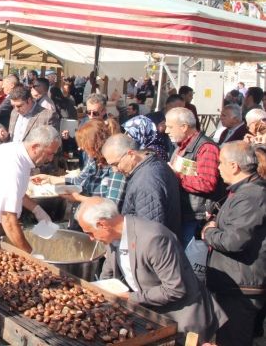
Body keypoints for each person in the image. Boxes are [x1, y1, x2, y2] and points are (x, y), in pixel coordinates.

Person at [77, 197, 224, 343]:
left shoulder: (154, 239)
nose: (91, 238)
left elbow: (175, 289)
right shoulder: (111, 237)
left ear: (102, 224)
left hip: (183, 317)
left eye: (90, 233)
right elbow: (108, 272)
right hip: (152, 312)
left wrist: (130, 297)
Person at [202, 141, 266, 346]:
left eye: (220, 163)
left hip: (241, 286)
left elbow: (234, 240)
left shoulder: (251, 194)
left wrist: (209, 232)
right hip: (234, 282)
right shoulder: (243, 191)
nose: (218, 167)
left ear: (234, 166)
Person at [0, 126, 59, 252]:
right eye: (49, 153)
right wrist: (32, 255)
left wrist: (37, 210)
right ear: (35, 147)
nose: (51, 158)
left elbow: (15, 192)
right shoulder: (14, 167)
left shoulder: (14, 149)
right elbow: (8, 220)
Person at [102, 134, 181, 240]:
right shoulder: (151, 162)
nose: (115, 170)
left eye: (116, 164)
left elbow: (150, 233)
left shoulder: (146, 181)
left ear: (131, 154)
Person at [165, 107, 224, 246]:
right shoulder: (182, 146)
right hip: (184, 212)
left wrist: (176, 176)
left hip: (196, 217)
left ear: (184, 127)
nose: (167, 131)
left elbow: (207, 183)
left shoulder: (206, 148)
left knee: (190, 260)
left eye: (170, 127)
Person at [44, 119, 126, 210]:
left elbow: (111, 205)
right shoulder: (94, 160)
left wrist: (79, 198)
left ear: (96, 144)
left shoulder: (116, 167)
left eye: (84, 144)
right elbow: (80, 180)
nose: (81, 148)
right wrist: (49, 179)